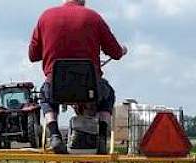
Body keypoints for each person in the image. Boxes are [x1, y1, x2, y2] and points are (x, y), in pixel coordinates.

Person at [29, 0, 127, 154]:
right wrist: (122, 50)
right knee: (108, 94)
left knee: (45, 96)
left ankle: (54, 134)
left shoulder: (45, 17)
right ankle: (101, 137)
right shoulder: (94, 17)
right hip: (90, 88)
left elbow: (33, 55)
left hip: (57, 88)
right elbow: (115, 52)